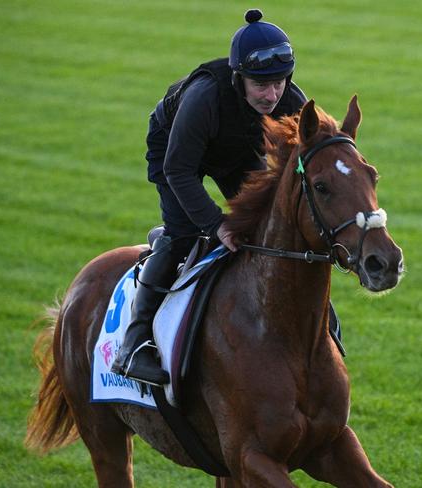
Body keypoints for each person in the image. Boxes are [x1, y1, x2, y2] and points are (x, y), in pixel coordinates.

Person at [112, 9, 308, 386]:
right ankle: (134, 344)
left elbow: (299, 163)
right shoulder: (204, 97)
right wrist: (216, 225)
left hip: (233, 151)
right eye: (260, 86)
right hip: (174, 151)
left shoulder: (289, 100)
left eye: (279, 83)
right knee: (186, 232)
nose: (271, 95)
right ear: (239, 78)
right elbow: (178, 170)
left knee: (265, 225)